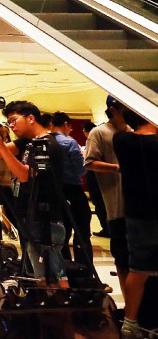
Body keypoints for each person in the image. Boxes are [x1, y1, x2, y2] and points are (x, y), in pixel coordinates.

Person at [0, 101, 68, 285]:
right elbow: (1, 154)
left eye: (14, 120)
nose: (12, 126)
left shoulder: (47, 144)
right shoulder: (28, 141)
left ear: (31, 118)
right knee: (41, 274)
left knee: (53, 275)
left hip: (45, 218)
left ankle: (60, 309)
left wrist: (1, 148)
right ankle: (49, 306)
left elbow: (24, 175)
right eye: (9, 122)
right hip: (31, 215)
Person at [112, 106, 158, 339]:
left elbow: (122, 125)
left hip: (136, 214)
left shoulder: (121, 141)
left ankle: (130, 323)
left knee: (138, 270)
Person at [85, 95, 129, 291]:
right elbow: (90, 163)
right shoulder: (100, 132)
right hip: (117, 205)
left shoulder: (134, 131)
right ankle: (130, 305)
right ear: (113, 109)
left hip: (141, 207)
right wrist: (118, 168)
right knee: (123, 257)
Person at [49, 111, 93, 266]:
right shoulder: (69, 142)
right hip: (73, 190)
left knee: (62, 235)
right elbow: (81, 170)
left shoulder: (44, 141)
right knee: (82, 233)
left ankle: (66, 272)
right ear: (66, 124)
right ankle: (85, 271)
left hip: (54, 192)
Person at [82, 121, 110, 237]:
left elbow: (89, 161)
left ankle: (106, 228)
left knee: (99, 203)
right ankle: (107, 228)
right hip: (104, 176)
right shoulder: (104, 137)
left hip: (95, 175)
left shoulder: (92, 139)